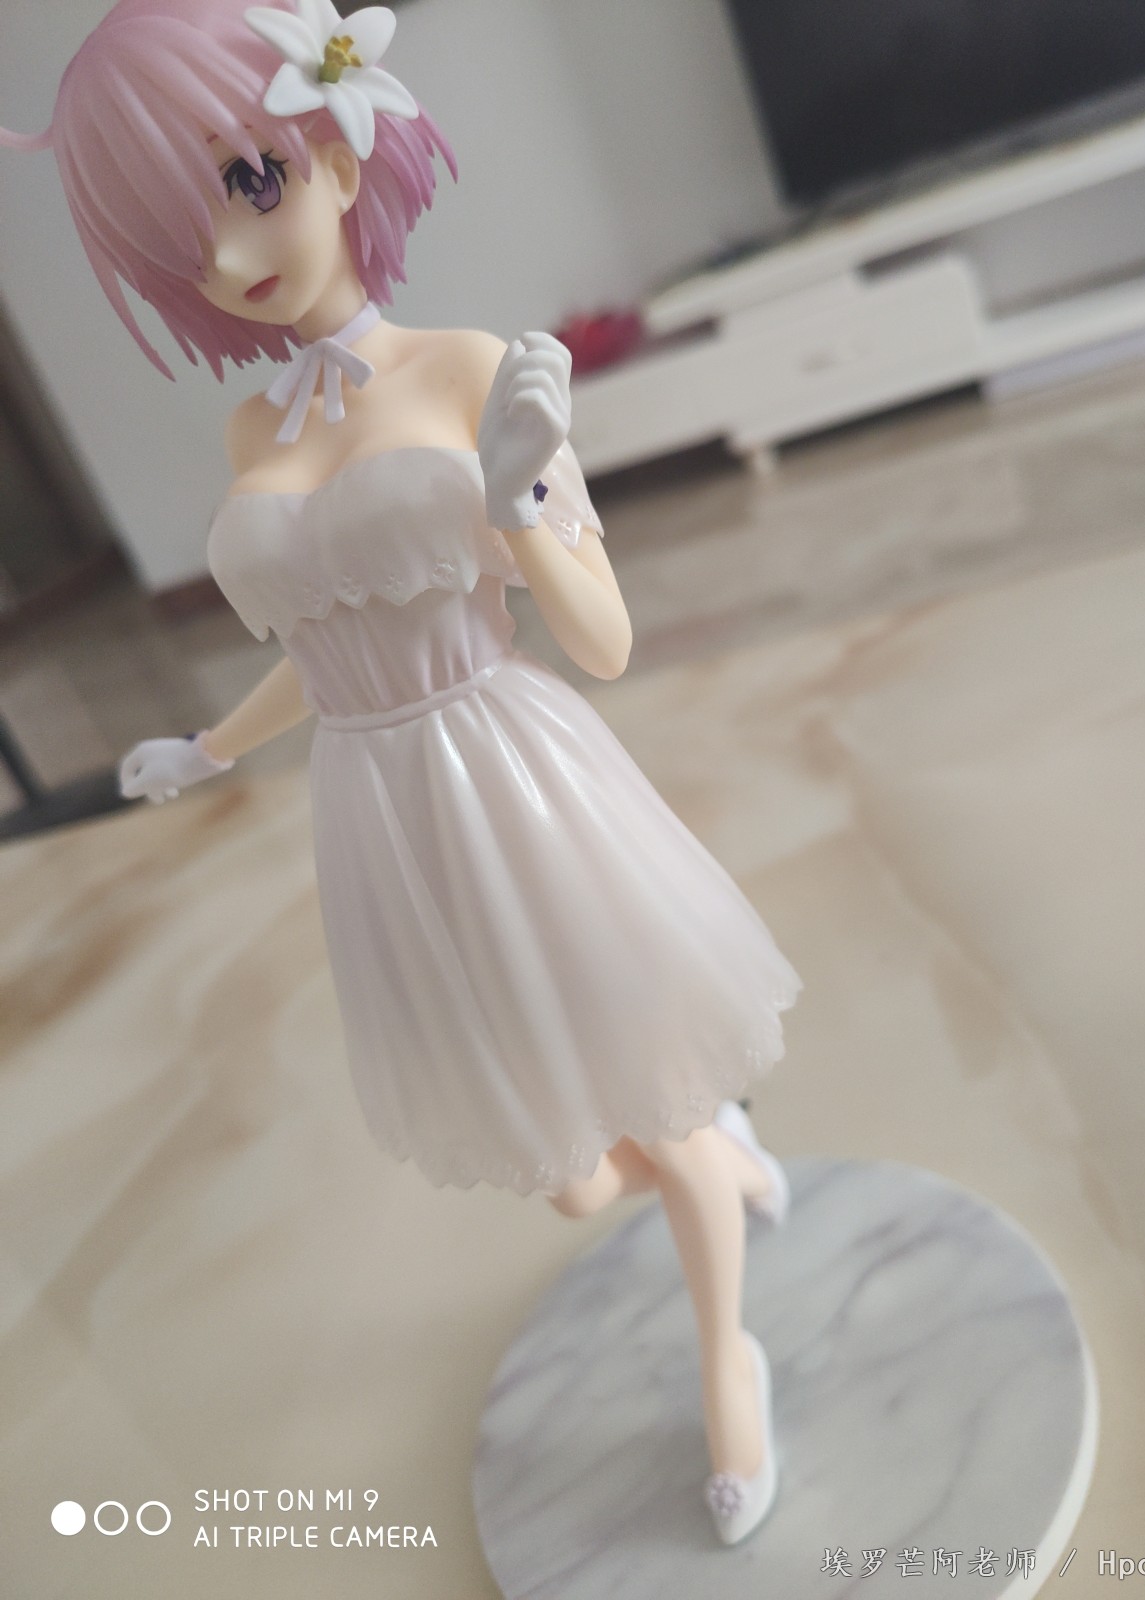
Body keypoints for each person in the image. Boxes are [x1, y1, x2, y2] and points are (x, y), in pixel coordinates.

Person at [2, 0, 801, 1545]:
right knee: (569, 1169)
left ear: (339, 147)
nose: (229, 257)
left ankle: (727, 1355)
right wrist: (208, 745)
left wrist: (518, 507)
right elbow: (325, 645)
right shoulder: (255, 429)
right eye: (180, 236)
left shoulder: (470, 371)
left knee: (656, 1121)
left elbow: (605, 639)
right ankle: (715, 1146)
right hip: (381, 813)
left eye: (250, 182)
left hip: (512, 777)